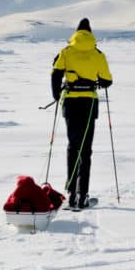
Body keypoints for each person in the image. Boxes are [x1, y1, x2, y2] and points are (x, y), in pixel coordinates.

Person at [51, 18, 113, 209]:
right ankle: (83, 195)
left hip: (70, 103)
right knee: (85, 150)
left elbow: (55, 74)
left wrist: (56, 95)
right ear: (90, 34)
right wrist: (98, 82)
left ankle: (71, 194)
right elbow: (107, 80)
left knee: (72, 146)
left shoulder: (66, 51)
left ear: (76, 33)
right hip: (88, 103)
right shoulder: (97, 54)